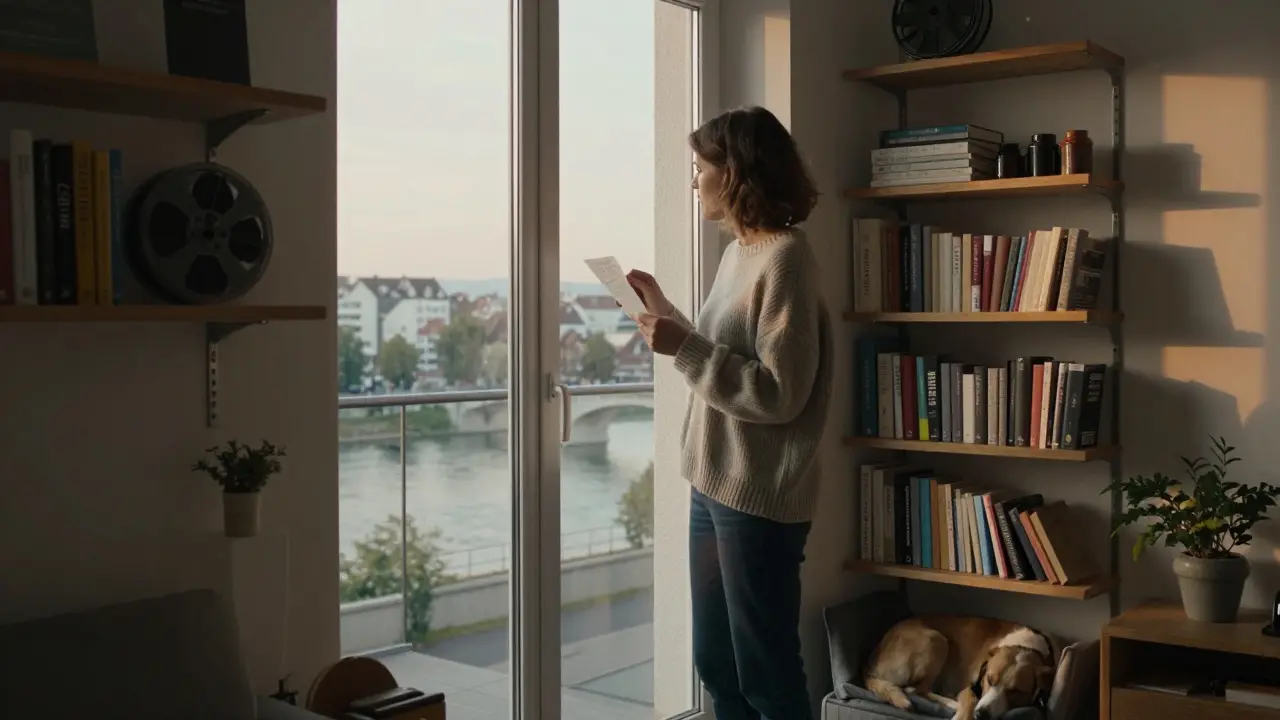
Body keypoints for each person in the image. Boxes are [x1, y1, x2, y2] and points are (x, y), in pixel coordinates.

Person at [627, 105, 833, 720]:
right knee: (716, 665)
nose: (694, 181)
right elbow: (724, 352)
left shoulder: (785, 258)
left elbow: (779, 393)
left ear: (736, 172)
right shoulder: (739, 252)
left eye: (700, 168)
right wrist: (667, 315)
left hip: (759, 497)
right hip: (713, 482)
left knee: (767, 675)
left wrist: (683, 348)